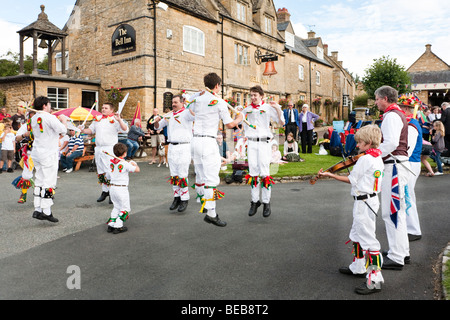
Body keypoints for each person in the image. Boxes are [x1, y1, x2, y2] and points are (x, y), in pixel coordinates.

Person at [319, 125, 384, 295]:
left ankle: (375, 279)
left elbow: (351, 179)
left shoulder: (365, 159)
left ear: (369, 142)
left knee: (368, 239)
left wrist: (331, 175)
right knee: (357, 234)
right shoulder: (377, 157)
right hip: (370, 200)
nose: (357, 145)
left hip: (364, 202)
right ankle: (358, 266)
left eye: (360, 142)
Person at [189, 72, 243, 227]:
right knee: (212, 179)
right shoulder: (219, 102)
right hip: (207, 141)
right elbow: (229, 125)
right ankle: (211, 213)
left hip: (195, 141)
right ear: (217, 85)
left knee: (202, 174)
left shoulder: (197, 99)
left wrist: (196, 94)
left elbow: (188, 104)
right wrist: (238, 118)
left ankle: (204, 202)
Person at [375, 85, 410, 270]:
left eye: (377, 99)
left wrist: (373, 154)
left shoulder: (390, 115)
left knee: (391, 211)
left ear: (385, 99)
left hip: (393, 166)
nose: (375, 102)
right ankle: (402, 251)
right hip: (399, 163)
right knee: (399, 210)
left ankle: (396, 256)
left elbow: (391, 142)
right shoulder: (398, 114)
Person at [242, 85, 284, 218]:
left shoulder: (267, 108)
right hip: (251, 142)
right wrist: (239, 115)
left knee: (265, 172)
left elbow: (281, 122)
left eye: (255, 95)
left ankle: (266, 202)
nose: (253, 97)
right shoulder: (247, 110)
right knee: (253, 172)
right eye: (251, 95)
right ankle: (255, 201)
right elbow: (240, 124)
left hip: (264, 143)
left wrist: (277, 108)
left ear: (261, 96)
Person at [79, 102, 128, 203]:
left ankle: (112, 193)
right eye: (102, 108)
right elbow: (91, 130)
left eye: (106, 108)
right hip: (99, 148)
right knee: (101, 170)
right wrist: (82, 130)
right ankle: (105, 191)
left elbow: (125, 130)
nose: (103, 109)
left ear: (111, 110)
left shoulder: (115, 119)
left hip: (110, 148)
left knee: (110, 171)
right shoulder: (98, 119)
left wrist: (119, 120)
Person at [153, 94, 195, 212]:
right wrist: (156, 122)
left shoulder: (186, 113)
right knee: (174, 174)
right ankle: (176, 197)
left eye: (176, 102)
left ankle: (184, 198)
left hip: (184, 146)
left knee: (182, 173)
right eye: (172, 102)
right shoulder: (169, 115)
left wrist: (189, 104)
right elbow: (157, 127)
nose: (173, 104)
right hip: (172, 146)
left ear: (182, 103)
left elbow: (195, 116)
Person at [29, 96, 68, 222]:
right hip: (48, 152)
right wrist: (64, 120)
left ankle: (37, 209)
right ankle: (46, 210)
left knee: (39, 179)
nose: (50, 107)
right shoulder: (49, 117)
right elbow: (63, 130)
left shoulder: (34, 118)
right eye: (49, 104)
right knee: (49, 181)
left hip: (37, 152)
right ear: (45, 105)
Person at [398, 100, 422, 241]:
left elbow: (408, 148)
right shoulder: (410, 123)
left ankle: (413, 229)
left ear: (406, 109)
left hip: (410, 163)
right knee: (407, 195)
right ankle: (409, 227)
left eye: (400, 108)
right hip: (411, 163)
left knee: (407, 196)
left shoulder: (411, 125)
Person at [107, 142, 140, 234]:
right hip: (121, 189)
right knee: (125, 208)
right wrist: (133, 163)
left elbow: (108, 176)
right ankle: (118, 226)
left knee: (116, 206)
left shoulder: (111, 163)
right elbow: (137, 170)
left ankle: (111, 224)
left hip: (112, 188)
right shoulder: (125, 163)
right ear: (125, 153)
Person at [13, 110, 36, 203]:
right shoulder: (25, 126)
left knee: (44, 175)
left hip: (43, 153)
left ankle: (47, 193)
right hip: (30, 153)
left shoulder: (44, 126)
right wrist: (24, 135)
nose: (33, 119)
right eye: (31, 117)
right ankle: (24, 194)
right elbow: (16, 138)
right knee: (26, 174)